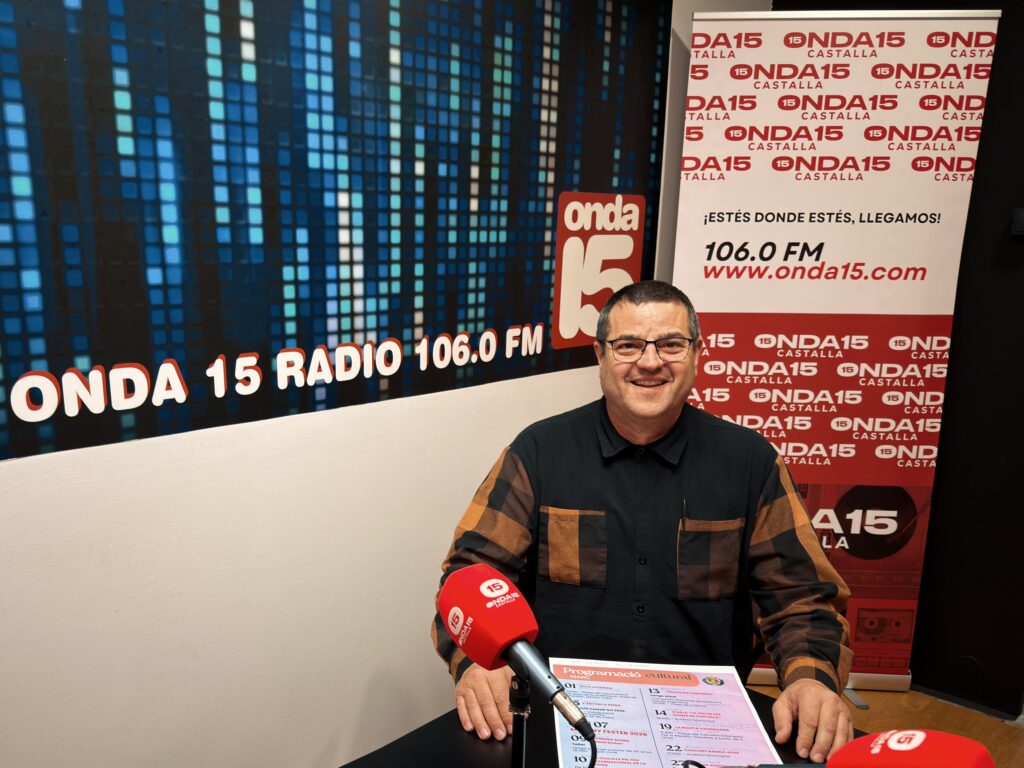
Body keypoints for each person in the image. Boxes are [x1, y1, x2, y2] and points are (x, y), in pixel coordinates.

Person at [430, 280, 854, 763]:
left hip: (705, 727)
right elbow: (469, 578)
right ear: (600, 355)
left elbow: (802, 598)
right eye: (628, 345)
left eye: (671, 344)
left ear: (697, 354)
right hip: (562, 718)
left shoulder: (751, 463)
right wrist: (476, 665)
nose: (650, 362)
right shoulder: (538, 453)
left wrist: (811, 679)